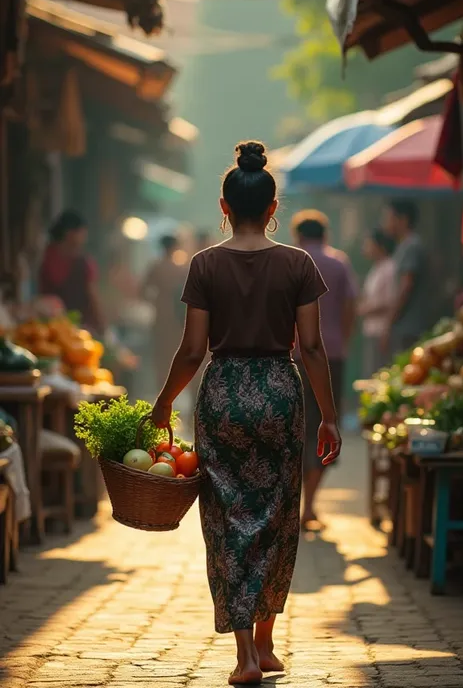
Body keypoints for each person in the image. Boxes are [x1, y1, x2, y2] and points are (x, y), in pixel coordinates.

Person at [151, 141, 340, 686]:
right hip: (281, 393)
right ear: (274, 206)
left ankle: (245, 657)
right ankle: (267, 642)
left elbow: (192, 350)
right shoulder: (298, 263)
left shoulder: (205, 264)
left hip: (224, 395)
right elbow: (311, 347)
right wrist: (327, 415)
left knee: (228, 517)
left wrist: (164, 402)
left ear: (224, 206)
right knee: (279, 514)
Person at [291, 209, 357, 532]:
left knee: (297, 426)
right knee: (325, 426)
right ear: (325, 234)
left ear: (298, 235)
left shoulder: (292, 261)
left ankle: (295, 508)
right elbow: (350, 305)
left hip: (295, 355)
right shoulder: (339, 263)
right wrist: (341, 338)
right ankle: (310, 507)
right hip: (332, 355)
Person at [39, 210, 105, 334]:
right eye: (82, 233)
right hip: (75, 329)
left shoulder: (46, 256)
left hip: (50, 329)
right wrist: (103, 327)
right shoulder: (83, 263)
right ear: (70, 233)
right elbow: (93, 297)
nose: (84, 237)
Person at [142, 235, 188, 390]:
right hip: (178, 317)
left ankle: (161, 392)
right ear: (175, 247)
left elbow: (143, 291)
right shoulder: (180, 269)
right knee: (177, 355)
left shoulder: (155, 267)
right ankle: (176, 389)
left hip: (161, 316)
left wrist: (155, 301)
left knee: (161, 357)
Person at [382, 200, 428, 354]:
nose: (385, 223)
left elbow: (406, 286)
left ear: (403, 220)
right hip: (404, 326)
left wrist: (389, 321)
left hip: (410, 326)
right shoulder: (403, 246)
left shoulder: (411, 245)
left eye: (389, 218)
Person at [359, 229, 396, 377]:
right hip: (371, 329)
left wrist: (365, 309)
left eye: (369, 244)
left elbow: (389, 301)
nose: (366, 248)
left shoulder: (389, 268)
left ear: (380, 246)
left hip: (382, 329)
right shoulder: (377, 268)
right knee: (370, 372)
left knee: (378, 373)